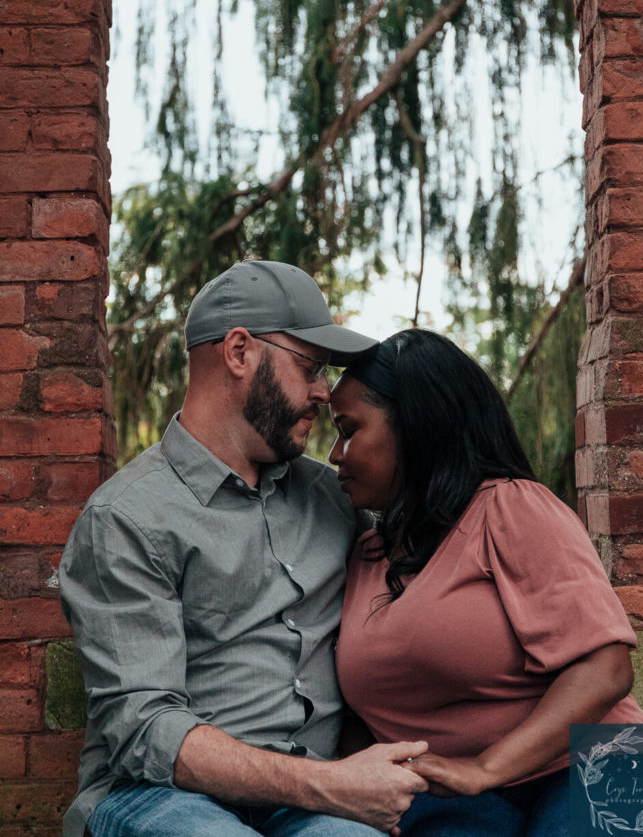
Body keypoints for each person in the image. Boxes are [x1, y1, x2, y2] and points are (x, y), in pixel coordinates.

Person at [58, 261, 429, 837]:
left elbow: (446, 537)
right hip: (157, 798)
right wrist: (333, 785)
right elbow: (144, 733)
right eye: (309, 366)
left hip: (308, 807)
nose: (323, 391)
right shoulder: (126, 517)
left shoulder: (336, 499)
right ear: (238, 352)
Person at [329, 329, 643, 837]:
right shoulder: (365, 551)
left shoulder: (511, 506)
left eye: (348, 430)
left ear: (414, 424)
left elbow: (606, 668)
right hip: (447, 800)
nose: (334, 454)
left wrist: (485, 769)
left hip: (593, 766)